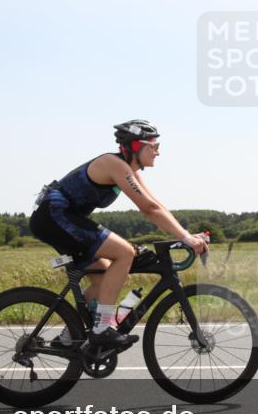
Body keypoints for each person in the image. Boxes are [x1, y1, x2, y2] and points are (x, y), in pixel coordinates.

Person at [29, 120, 208, 347]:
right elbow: (148, 209)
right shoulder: (113, 164)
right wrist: (186, 238)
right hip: (54, 216)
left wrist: (187, 234)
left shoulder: (128, 169)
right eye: (152, 145)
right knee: (124, 253)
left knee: (103, 277)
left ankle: (69, 336)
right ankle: (102, 327)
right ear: (135, 146)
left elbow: (155, 204)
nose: (158, 151)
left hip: (61, 218)